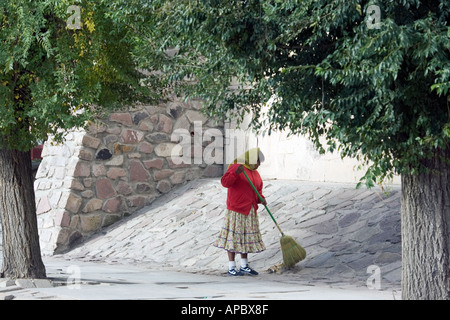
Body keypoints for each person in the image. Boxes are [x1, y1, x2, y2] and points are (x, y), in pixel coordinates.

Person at [213, 148, 267, 276]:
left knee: (246, 237)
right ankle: (231, 266)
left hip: (249, 210)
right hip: (236, 209)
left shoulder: (255, 174)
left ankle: (244, 265)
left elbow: (257, 191)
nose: (258, 165)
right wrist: (235, 173)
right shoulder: (237, 167)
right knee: (234, 238)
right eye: (258, 161)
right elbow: (225, 183)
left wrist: (261, 199)